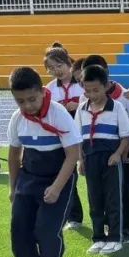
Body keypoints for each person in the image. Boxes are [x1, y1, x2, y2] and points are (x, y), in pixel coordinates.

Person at [6, 67, 80, 257]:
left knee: (47, 230)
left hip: (58, 178)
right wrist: (13, 188)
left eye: (32, 99)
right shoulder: (18, 118)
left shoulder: (58, 114)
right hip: (28, 178)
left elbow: (73, 154)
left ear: (41, 91)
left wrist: (56, 188)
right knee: (20, 228)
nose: (27, 106)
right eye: (20, 101)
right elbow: (14, 155)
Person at [80, 55, 129, 240]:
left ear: (105, 73)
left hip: (124, 147)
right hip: (97, 152)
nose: (91, 92)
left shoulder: (125, 94)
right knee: (101, 192)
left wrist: (123, 151)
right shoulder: (86, 98)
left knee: (127, 187)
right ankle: (108, 227)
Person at [43, 43, 84, 231]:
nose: (56, 71)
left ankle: (105, 219)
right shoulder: (50, 89)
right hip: (63, 139)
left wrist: (79, 106)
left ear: (69, 62)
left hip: (86, 134)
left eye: (59, 66)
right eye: (51, 68)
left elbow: (98, 99)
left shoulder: (82, 82)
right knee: (67, 176)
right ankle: (74, 217)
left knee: (95, 178)